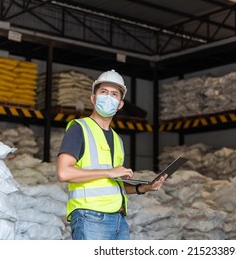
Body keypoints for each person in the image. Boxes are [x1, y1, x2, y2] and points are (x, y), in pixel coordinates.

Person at [57, 69, 167, 240]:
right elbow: (64, 172)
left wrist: (143, 188)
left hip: (118, 220)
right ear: (93, 98)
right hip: (90, 218)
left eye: (114, 94)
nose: (109, 98)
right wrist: (109, 172)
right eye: (103, 92)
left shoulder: (117, 139)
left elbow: (112, 185)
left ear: (120, 104)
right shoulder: (79, 128)